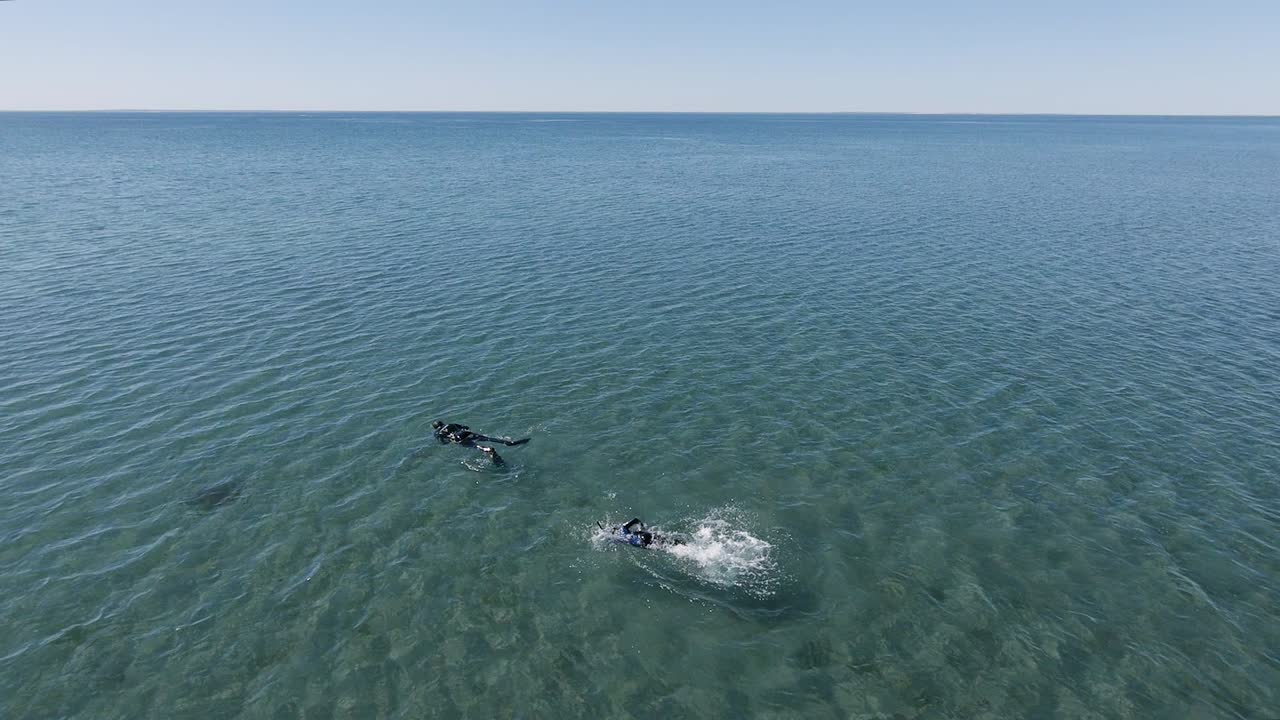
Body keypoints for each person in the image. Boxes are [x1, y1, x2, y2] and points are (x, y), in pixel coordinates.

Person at [432, 420, 529, 465]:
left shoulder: (437, 433)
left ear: (435, 427)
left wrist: (450, 441)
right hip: (465, 433)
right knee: (487, 438)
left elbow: (443, 442)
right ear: (442, 423)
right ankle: (507, 442)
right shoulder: (450, 424)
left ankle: (486, 449)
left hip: (458, 439)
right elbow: (466, 427)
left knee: (475, 446)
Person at [599, 518, 682, 548]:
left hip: (641, 542)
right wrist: (642, 527)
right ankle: (684, 544)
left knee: (666, 547)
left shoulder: (616, 539)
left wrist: (603, 532)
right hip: (644, 535)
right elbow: (635, 520)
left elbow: (608, 538)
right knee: (669, 541)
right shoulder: (623, 528)